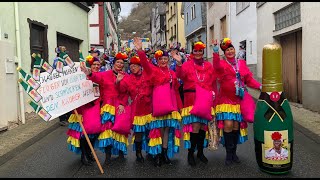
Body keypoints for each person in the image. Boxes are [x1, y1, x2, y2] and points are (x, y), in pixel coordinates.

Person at [134, 37, 183, 167]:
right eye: (160, 59)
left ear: (168, 60)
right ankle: (158, 154)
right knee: (159, 130)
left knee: (167, 129)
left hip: (171, 105)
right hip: (158, 106)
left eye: (165, 59)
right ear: (157, 60)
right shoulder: (154, 71)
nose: (163, 61)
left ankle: (165, 153)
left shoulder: (172, 73)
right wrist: (140, 51)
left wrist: (179, 63)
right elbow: (144, 63)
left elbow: (177, 88)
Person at [212, 38, 261, 165]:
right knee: (228, 124)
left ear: (234, 50)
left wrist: (260, 86)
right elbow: (216, 66)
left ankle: (233, 153)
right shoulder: (222, 64)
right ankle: (229, 154)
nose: (230, 51)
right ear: (225, 53)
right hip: (226, 100)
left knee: (235, 126)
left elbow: (249, 79)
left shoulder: (242, 64)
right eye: (227, 50)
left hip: (239, 100)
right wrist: (215, 51)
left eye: (231, 49)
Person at [171, 41, 217, 167]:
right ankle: (191, 153)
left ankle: (200, 152)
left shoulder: (208, 65)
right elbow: (179, 75)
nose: (197, 53)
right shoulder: (187, 65)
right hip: (191, 99)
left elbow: (212, 82)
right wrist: (179, 63)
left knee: (203, 127)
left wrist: (214, 97)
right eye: (195, 51)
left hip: (205, 99)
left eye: (200, 51)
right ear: (192, 52)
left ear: (203, 52)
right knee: (195, 127)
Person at [80, 52, 129, 165]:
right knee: (107, 131)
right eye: (118, 62)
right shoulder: (105, 74)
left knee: (120, 130)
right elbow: (96, 77)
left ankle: (121, 152)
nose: (120, 64)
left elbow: (126, 92)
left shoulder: (126, 76)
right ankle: (107, 156)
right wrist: (90, 73)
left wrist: (122, 103)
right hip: (106, 106)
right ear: (113, 63)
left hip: (119, 106)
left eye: (122, 63)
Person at [115, 54, 153, 164]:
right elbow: (123, 91)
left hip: (149, 108)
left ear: (140, 66)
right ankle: (138, 152)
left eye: (135, 66)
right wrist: (118, 82)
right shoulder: (127, 78)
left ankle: (150, 151)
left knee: (150, 131)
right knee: (139, 133)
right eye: (131, 66)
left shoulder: (147, 75)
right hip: (137, 110)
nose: (133, 68)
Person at [66, 56, 103, 166]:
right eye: (94, 65)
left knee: (93, 132)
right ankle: (84, 155)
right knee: (83, 133)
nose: (96, 66)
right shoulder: (80, 77)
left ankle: (89, 152)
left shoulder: (100, 75)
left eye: (98, 65)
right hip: (83, 107)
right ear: (89, 66)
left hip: (95, 106)